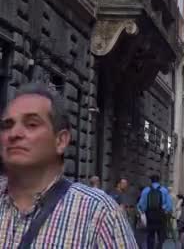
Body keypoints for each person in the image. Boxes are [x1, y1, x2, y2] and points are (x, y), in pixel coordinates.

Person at [0, 83, 137, 247]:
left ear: (61, 140)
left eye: (31, 124)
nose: (14, 134)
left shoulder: (100, 214)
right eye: (7, 125)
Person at [138, 174, 173, 249]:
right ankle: (159, 247)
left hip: (150, 215)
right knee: (161, 235)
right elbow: (169, 205)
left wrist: (143, 212)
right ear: (158, 181)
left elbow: (141, 205)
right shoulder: (164, 190)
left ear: (151, 181)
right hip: (161, 215)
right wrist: (165, 211)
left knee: (150, 235)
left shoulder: (146, 190)